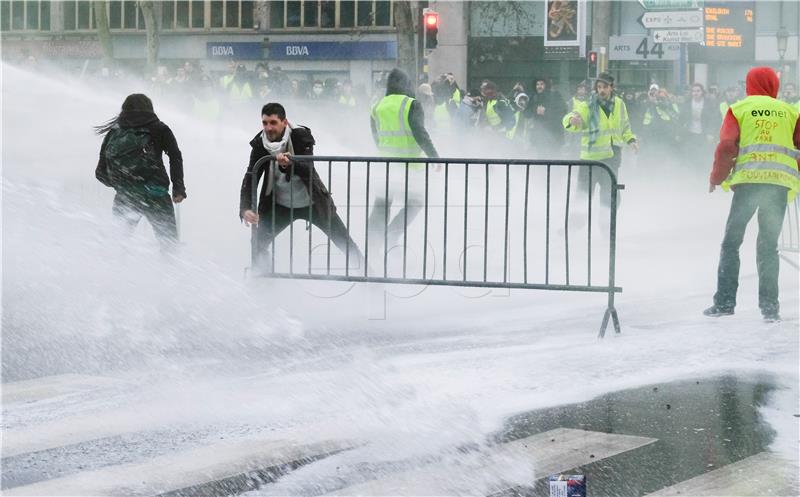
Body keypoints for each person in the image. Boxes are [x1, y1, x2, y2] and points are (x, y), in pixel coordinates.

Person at [704, 67, 800, 322]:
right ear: (773, 85)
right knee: (768, 247)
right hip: (778, 185)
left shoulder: (739, 109)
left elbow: (726, 146)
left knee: (731, 242)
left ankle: (724, 302)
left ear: (750, 84)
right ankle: (770, 307)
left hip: (748, 184)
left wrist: (717, 177)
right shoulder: (790, 112)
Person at [240, 103, 362, 273]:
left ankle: (371, 280)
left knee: (344, 242)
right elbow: (251, 176)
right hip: (279, 206)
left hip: (313, 203)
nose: (268, 128)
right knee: (257, 244)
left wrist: (289, 164)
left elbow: (307, 167)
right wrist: (245, 208)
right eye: (265, 123)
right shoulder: (260, 144)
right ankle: (263, 279)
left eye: (273, 123)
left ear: (284, 122)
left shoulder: (300, 136)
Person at [94, 93, 185, 250]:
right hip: (156, 195)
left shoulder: (115, 131)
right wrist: (178, 188)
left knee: (118, 243)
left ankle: (115, 273)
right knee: (168, 245)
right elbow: (175, 157)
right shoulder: (159, 128)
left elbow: (100, 172)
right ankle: (169, 271)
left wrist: (120, 183)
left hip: (126, 196)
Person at [369, 68, 439, 259]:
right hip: (411, 167)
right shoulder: (411, 104)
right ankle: (391, 235)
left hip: (386, 166)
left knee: (382, 204)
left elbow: (376, 136)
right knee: (416, 203)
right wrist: (434, 156)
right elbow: (420, 132)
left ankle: (372, 244)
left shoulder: (378, 106)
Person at [562, 72, 638, 210]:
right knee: (583, 196)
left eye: (605, 87)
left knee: (610, 196)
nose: (601, 90)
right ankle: (573, 227)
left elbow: (625, 127)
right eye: (599, 87)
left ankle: (607, 226)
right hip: (590, 160)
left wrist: (631, 140)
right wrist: (572, 120)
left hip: (612, 157)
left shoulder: (619, 104)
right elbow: (571, 117)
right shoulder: (588, 106)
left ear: (611, 87)